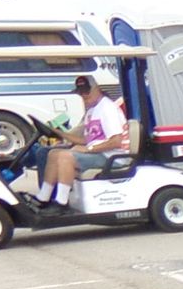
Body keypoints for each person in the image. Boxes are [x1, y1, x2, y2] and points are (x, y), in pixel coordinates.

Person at [35, 75, 130, 208]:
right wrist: (61, 134)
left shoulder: (107, 108)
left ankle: (61, 202)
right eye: (81, 92)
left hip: (112, 157)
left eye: (87, 91)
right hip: (100, 153)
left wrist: (88, 149)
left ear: (97, 89)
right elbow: (87, 140)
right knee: (54, 153)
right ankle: (43, 198)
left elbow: (116, 141)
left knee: (65, 157)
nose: (84, 95)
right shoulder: (92, 110)